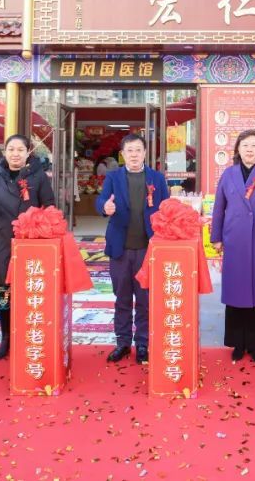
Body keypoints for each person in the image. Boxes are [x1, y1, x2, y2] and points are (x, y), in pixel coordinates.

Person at [0, 134, 56, 361]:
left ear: (28, 152)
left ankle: (28, 336)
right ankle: (6, 338)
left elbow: (49, 204)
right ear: (5, 152)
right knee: (3, 292)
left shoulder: (38, 176)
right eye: (11, 149)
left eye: (20, 150)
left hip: (29, 243)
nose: (15, 154)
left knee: (29, 291)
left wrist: (43, 224)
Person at [210, 129, 255, 363]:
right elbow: (219, 207)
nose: (249, 150)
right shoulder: (228, 174)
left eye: (254, 145)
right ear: (238, 150)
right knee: (236, 291)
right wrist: (216, 237)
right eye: (245, 145)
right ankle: (237, 343)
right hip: (234, 241)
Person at [95, 134, 170, 364]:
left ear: (145, 153)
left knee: (145, 299)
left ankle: (143, 343)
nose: (134, 155)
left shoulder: (157, 178)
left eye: (138, 150)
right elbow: (101, 200)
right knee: (123, 298)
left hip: (148, 249)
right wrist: (105, 207)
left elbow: (166, 208)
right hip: (120, 248)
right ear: (123, 154)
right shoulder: (113, 177)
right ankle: (123, 342)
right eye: (129, 151)